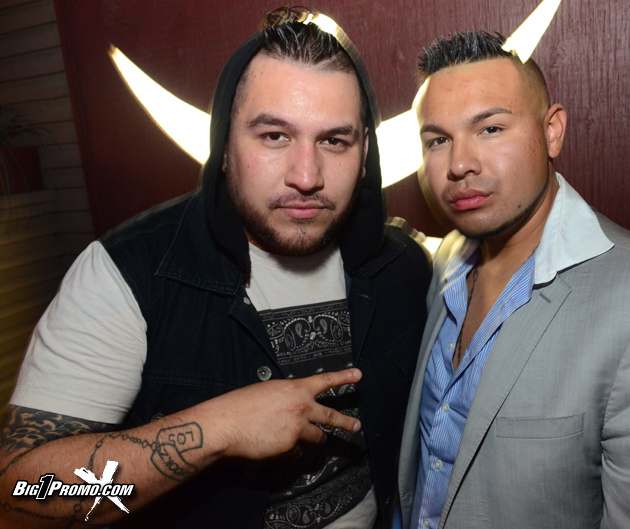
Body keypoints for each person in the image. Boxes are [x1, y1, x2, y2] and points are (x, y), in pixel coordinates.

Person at [0, 8, 430, 529]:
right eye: (274, 136)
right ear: (224, 146)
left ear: (364, 155)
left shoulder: (402, 266)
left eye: (333, 141)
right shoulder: (129, 274)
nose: (306, 176)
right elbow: (18, 497)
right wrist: (216, 430)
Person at [397, 31, 630, 528]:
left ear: (552, 131)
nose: (459, 164)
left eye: (490, 129)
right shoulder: (450, 256)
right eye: (438, 140)